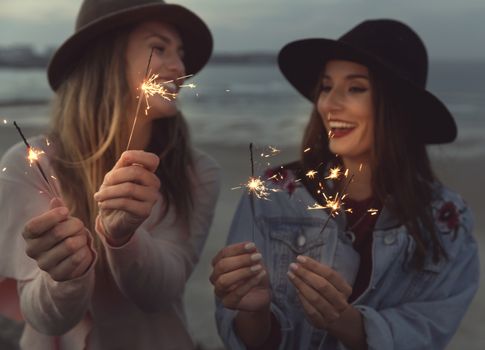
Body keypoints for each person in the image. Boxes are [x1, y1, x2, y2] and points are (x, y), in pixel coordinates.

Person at [210, 19, 479, 349]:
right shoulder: (274, 192)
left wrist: (348, 323)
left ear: (398, 107)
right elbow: (239, 333)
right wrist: (253, 313)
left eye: (355, 88)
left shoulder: (447, 221)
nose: (329, 104)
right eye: (326, 87)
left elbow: (430, 330)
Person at [0, 0, 220, 349]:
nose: (180, 67)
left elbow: (161, 292)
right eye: (158, 48)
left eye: (180, 53)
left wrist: (124, 237)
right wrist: (64, 275)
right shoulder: (33, 164)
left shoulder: (197, 172)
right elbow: (43, 316)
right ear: (105, 57)